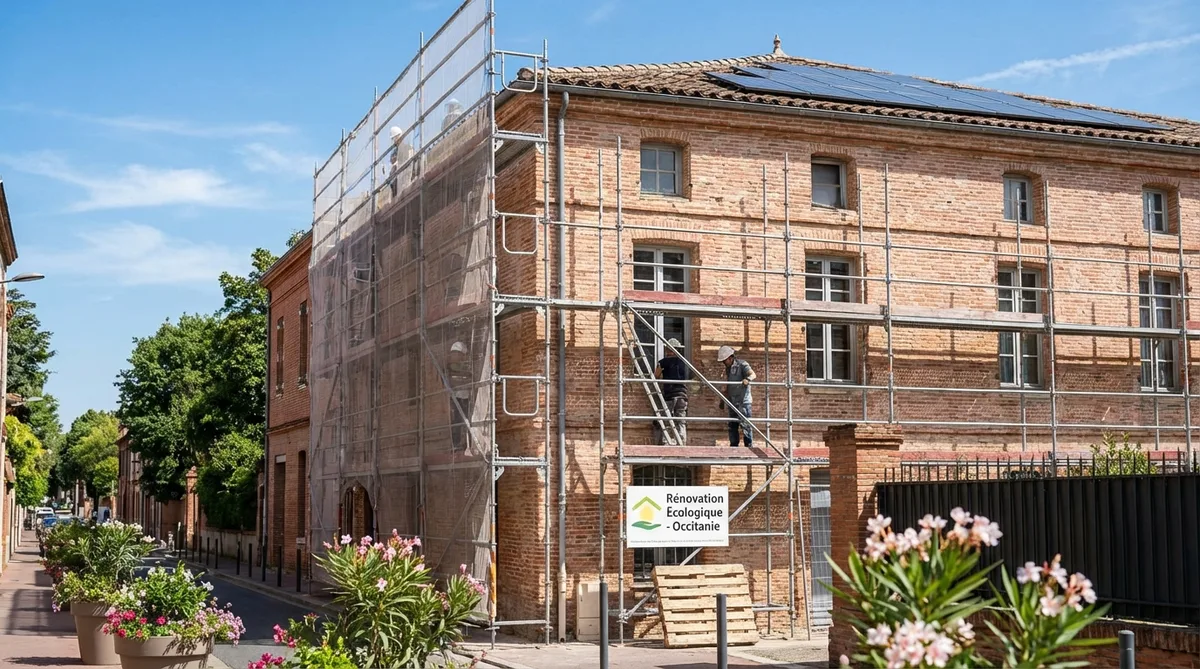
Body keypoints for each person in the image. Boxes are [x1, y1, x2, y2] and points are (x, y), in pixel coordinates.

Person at [652, 338, 690, 445]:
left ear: (669, 350)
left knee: (667, 419)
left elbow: (656, 376)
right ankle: (682, 441)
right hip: (682, 395)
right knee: (681, 420)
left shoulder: (663, 362)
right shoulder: (683, 362)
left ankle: (666, 442)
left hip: (670, 395)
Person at [717, 345, 756, 448]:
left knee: (745, 425)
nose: (724, 363)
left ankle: (749, 447)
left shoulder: (742, 365)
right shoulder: (728, 369)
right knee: (732, 425)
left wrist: (747, 379)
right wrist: (722, 400)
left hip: (743, 402)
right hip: (732, 401)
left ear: (730, 357)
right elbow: (727, 385)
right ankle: (734, 447)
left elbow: (753, 374)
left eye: (724, 361)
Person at [448, 341, 473, 453]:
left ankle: (468, 444)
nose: (454, 356)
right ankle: (456, 444)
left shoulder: (466, 367)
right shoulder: (451, 367)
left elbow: (472, 378)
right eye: (453, 353)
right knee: (456, 421)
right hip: (455, 397)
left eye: (456, 354)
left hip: (466, 397)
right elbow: (451, 382)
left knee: (467, 421)